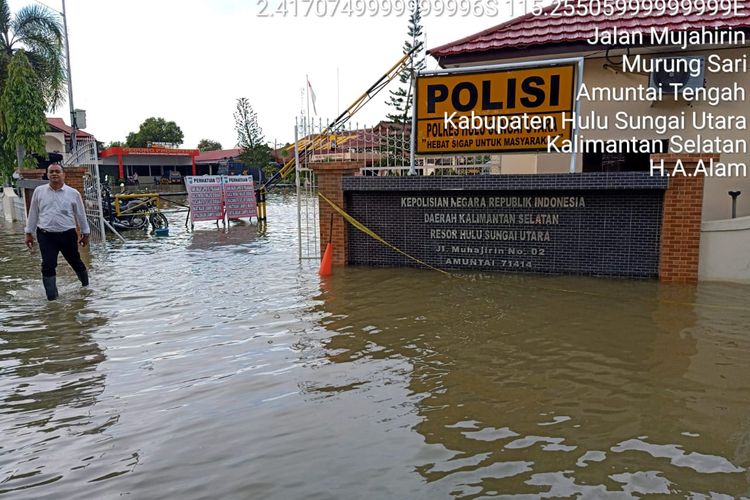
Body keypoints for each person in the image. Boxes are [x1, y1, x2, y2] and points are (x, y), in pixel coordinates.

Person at [24, 164, 90, 301]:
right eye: (51, 172)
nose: (54, 174)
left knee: (75, 261)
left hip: (68, 234)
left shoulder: (73, 193)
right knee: (48, 265)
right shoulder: (39, 191)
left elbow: (81, 215)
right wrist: (28, 233)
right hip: (46, 235)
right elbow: (33, 213)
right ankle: (52, 299)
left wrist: (86, 234)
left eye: (57, 172)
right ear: (47, 175)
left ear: (63, 175)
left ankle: (86, 286)